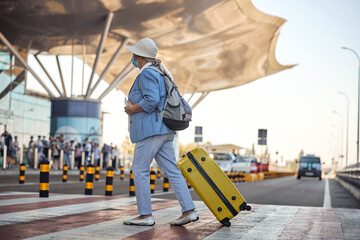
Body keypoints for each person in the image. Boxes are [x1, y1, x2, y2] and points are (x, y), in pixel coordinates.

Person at [123, 38, 197, 226]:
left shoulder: (147, 73)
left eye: (134, 53)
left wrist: (132, 109)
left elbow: (152, 100)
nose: (133, 57)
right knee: (172, 170)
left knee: (139, 170)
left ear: (140, 56)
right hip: (165, 129)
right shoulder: (159, 72)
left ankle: (145, 215)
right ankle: (189, 210)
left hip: (151, 130)